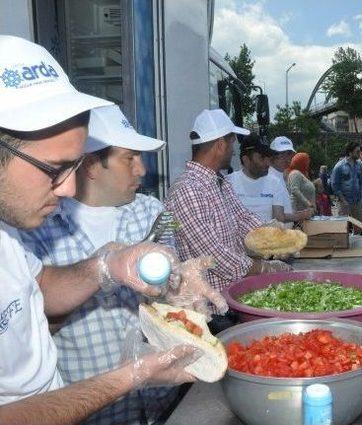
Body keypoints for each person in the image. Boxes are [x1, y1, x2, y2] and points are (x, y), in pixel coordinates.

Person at [0, 35, 198, 423]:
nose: (69, 189)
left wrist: (108, 265)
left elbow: (36, 291)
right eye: (54, 169)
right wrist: (129, 378)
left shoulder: (8, 231)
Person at [19, 104, 224, 424]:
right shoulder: (36, 230)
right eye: (130, 158)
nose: (142, 170)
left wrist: (180, 288)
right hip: (88, 407)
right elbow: (31, 326)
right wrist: (102, 271)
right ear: (90, 165)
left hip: (160, 400)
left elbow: (169, 291)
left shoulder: (150, 212)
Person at [164, 110, 292, 296]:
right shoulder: (188, 190)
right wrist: (264, 268)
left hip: (231, 296)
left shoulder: (220, 182)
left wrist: (275, 239)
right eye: (232, 144)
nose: (234, 151)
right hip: (209, 308)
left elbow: (242, 218)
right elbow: (214, 256)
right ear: (220, 145)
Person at [227, 134, 309, 223]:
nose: (267, 162)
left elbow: (279, 218)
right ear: (246, 160)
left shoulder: (274, 183)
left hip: (269, 236)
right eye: (262, 157)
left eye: (268, 157)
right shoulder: (228, 183)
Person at [330, 142, 362, 220]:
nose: (360, 154)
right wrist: (343, 200)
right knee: (343, 226)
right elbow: (334, 185)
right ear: (350, 152)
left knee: (358, 225)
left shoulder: (359, 164)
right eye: (357, 152)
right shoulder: (339, 166)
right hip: (344, 201)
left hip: (357, 201)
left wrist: (361, 195)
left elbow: (360, 181)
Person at [269, 136, 297, 225]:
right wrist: (303, 215)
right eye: (281, 154)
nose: (287, 158)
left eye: (289, 154)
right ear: (272, 156)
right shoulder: (269, 178)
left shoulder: (280, 175)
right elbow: (277, 217)